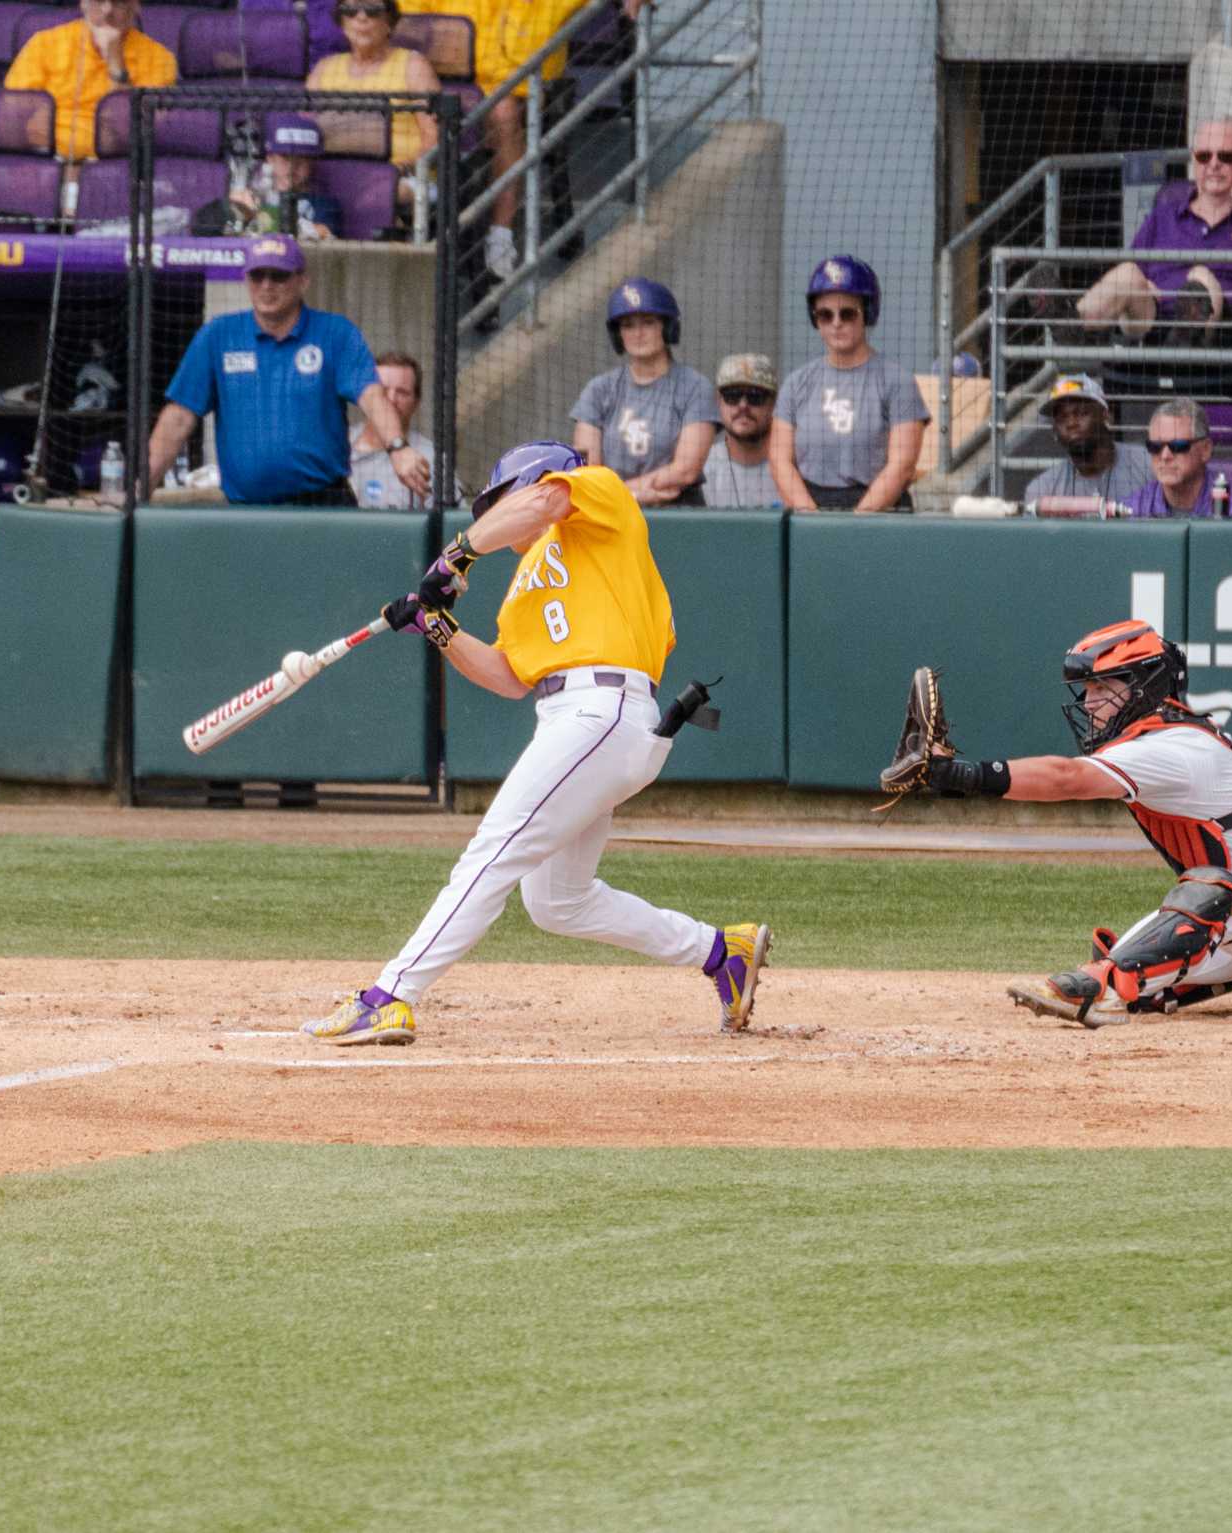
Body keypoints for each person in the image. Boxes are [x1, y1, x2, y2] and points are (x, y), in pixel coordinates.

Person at [303, 440, 769, 1045]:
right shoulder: (527, 577)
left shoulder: (597, 495)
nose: (494, 515)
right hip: (571, 720)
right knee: (557, 901)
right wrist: (437, 626)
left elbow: (543, 503)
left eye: (501, 499)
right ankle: (719, 951)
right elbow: (506, 676)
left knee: (492, 851)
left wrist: (455, 557)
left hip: (602, 708)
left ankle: (391, 995)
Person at [890, 619, 1232, 1026]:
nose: (1090, 702)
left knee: (1205, 896)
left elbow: (1067, 779)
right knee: (1141, 967)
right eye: (1088, 689)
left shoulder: (1174, 746)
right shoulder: (1159, 738)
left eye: (1103, 687)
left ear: (1145, 686)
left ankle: (1102, 989)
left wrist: (961, 774)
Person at [146, 236, 428, 507]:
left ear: (302, 280)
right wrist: (140, 488)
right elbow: (179, 417)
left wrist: (398, 448)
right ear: (246, 280)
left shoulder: (335, 333)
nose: (267, 286)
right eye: (258, 276)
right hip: (247, 512)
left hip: (322, 505)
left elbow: (371, 396)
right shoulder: (218, 335)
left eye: (278, 276)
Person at [405, 0, 587, 282]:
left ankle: (500, 232)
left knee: (504, 114)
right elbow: (405, 22)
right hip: (445, 78)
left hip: (517, 84)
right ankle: (427, 208)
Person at [1077, 116, 1232, 345]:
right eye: (1204, 156)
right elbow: (1137, 271)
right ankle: (1070, 325)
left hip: (1222, 333)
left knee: (1200, 277)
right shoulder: (1165, 213)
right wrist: (1146, 286)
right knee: (1127, 272)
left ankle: (1186, 336)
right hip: (1154, 321)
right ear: (1194, 161)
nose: (1214, 164)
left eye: (1226, 157)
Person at [769, 255, 926, 512]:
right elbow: (779, 460)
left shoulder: (898, 382)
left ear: (868, 313)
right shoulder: (796, 383)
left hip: (878, 513)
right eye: (825, 315)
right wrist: (810, 517)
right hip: (810, 510)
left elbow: (902, 465)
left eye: (848, 313)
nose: (836, 323)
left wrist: (856, 522)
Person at [569, 277, 716, 506]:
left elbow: (685, 470)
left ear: (667, 327)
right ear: (618, 334)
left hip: (679, 516)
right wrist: (632, 496)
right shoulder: (599, 390)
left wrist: (618, 494)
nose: (638, 333)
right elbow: (588, 473)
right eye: (628, 325)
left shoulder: (695, 387)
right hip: (612, 516)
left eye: (648, 322)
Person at [3, 0, 177, 164]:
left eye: (118, 3)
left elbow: (130, 135)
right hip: (44, 162)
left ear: (136, 6)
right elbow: (9, 120)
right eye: (99, 1)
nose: (108, 10)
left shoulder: (160, 59)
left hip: (114, 167)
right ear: (83, 3)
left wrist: (115, 63)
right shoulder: (44, 43)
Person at [305, 0, 441, 179]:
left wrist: (400, 171)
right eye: (351, 11)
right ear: (342, 22)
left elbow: (436, 138)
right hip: (332, 175)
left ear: (389, 22)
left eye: (372, 10)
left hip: (402, 176)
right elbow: (303, 130)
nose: (361, 17)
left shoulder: (414, 65)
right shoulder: (324, 68)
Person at [196, 113, 344, 241]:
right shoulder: (250, 197)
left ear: (312, 163)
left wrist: (258, 216)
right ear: (270, 158)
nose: (292, 168)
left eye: (302, 160)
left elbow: (326, 232)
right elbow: (202, 225)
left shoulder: (323, 205)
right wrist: (231, 210)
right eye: (285, 158)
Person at [1118, 398, 1232, 519]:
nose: (1165, 456)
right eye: (1155, 446)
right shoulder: (1133, 510)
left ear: (1205, 450)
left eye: (1178, 445)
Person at [348, 350, 458, 508]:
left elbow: (458, 527)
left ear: (416, 402)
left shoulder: (431, 460)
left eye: (402, 392)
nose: (392, 399)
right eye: (383, 391)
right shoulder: (336, 445)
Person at [1022, 374, 1154, 505]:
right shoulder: (1043, 490)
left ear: (1106, 416)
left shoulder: (1148, 465)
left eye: (1081, 413)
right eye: (1062, 418)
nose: (1071, 423)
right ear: (1054, 430)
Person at [699, 354, 777, 508]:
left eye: (755, 396)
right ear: (718, 401)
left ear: (773, 403)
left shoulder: (793, 464)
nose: (743, 406)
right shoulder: (701, 467)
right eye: (732, 396)